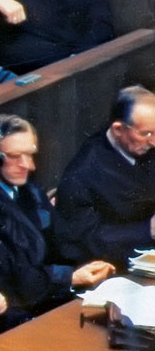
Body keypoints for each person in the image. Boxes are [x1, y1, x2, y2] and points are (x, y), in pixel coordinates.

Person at [0, 115, 113, 330]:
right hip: (13, 315)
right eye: (15, 156)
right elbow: (10, 276)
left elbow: (59, 237)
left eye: (30, 154)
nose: (28, 165)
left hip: (48, 294)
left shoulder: (22, 184)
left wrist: (89, 264)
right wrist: (70, 277)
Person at [54, 85, 155, 266]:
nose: (153, 142)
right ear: (118, 129)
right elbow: (84, 241)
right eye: (146, 134)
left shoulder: (143, 145)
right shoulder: (82, 174)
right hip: (119, 264)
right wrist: (148, 230)